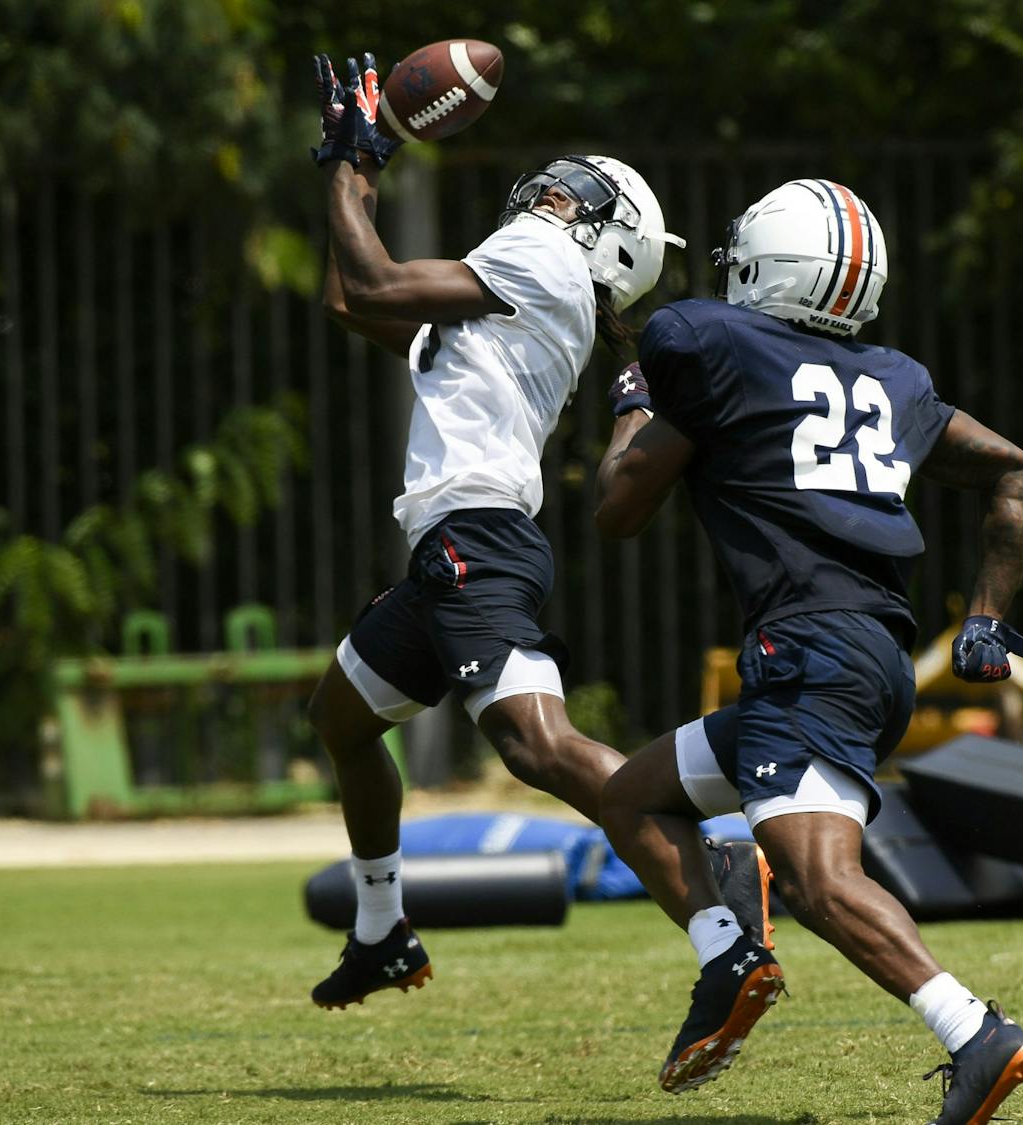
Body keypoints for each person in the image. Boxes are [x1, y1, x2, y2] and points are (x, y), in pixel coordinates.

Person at [592, 178, 1023, 1124]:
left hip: (808, 656)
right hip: (863, 658)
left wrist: (634, 398)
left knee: (816, 878)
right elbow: (1016, 469)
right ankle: (728, 953)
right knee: (629, 795)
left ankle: (974, 1031)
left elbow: (618, 508)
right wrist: (986, 619)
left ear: (767, 265)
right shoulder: (895, 378)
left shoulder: (710, 347)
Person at [303, 52, 684, 1010]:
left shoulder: (543, 260)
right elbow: (351, 298)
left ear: (606, 240)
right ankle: (383, 927)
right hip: (449, 547)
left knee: (535, 746)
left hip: (477, 537)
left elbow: (377, 283)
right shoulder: (504, 316)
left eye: (578, 193)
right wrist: (359, 167)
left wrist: (360, 158)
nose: (554, 194)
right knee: (343, 722)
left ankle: (711, 873)